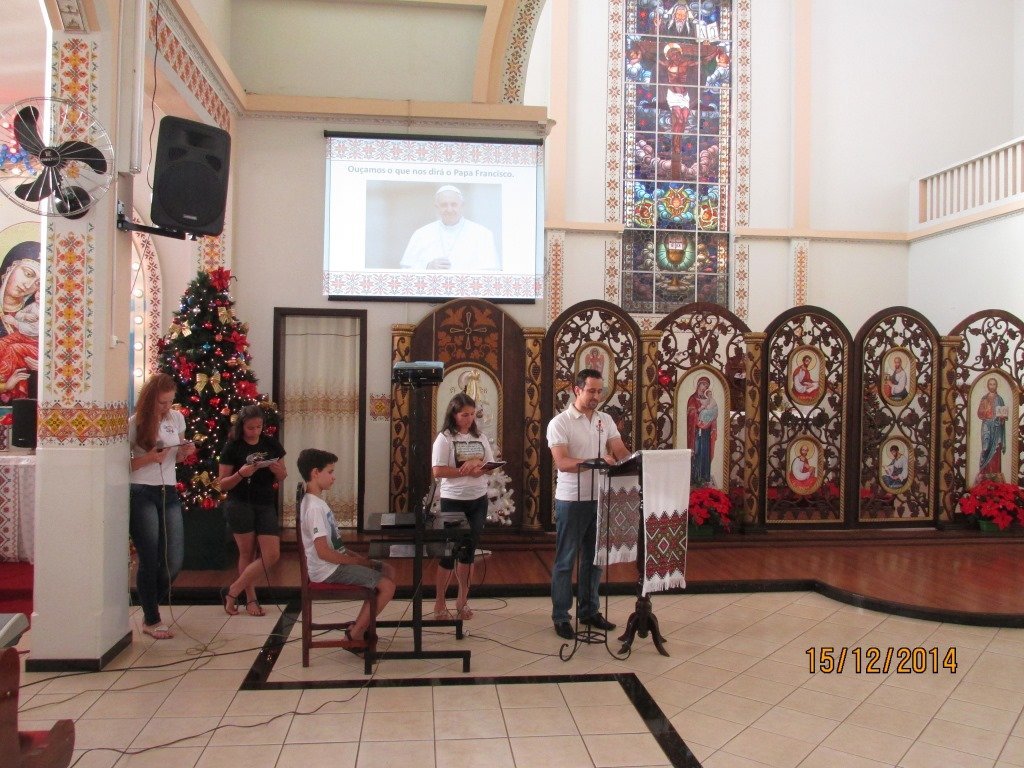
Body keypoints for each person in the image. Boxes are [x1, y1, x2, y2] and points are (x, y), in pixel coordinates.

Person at [547, 368, 631, 640]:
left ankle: (589, 610)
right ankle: (561, 616)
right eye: (591, 391)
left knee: (595, 559)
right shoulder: (560, 422)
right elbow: (562, 462)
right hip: (572, 500)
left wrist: (636, 461)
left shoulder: (605, 420)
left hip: (601, 497)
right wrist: (595, 462)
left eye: (600, 391)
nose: (596, 396)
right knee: (566, 560)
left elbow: (620, 451)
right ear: (577, 390)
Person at [298, 447, 396, 649]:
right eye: (330, 472)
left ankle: (360, 625)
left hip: (333, 564)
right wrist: (357, 561)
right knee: (387, 586)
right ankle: (354, 636)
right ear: (315, 473)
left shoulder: (317, 502)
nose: (333, 477)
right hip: (328, 570)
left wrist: (360, 560)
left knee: (387, 569)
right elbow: (323, 552)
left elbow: (337, 545)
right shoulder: (314, 508)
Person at [128, 373, 196, 639]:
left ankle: (150, 602)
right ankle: (151, 617)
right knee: (150, 556)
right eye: (161, 402)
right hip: (142, 491)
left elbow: (176, 457)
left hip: (168, 490)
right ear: (149, 400)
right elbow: (125, 465)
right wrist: (149, 458)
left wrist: (184, 452)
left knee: (174, 559)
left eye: (170, 401)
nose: (166, 407)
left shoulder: (176, 419)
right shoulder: (135, 423)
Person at [431, 393, 499, 621]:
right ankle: (439, 602)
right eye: (464, 415)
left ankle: (462, 601)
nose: (469, 419)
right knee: (448, 553)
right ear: (453, 414)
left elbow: (490, 466)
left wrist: (481, 467)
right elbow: (438, 471)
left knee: (468, 552)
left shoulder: (480, 437)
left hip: (477, 500)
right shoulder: (445, 438)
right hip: (453, 500)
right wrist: (464, 470)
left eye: (472, 414)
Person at [217, 404, 287, 616]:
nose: (255, 431)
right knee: (247, 553)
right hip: (240, 503)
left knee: (272, 554)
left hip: (265, 502)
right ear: (242, 426)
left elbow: (283, 476)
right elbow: (222, 484)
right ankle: (250, 599)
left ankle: (233, 590)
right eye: (250, 428)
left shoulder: (271, 444)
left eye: (259, 427)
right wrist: (241, 474)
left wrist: (278, 471)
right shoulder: (233, 447)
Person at [400, 185, 500, 271]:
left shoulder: (482, 234)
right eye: (444, 205)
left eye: (454, 204)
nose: (449, 209)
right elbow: (406, 269)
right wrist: (427, 267)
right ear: (437, 207)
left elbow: (491, 270)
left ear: (462, 205)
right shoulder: (421, 234)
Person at [0, 242, 40, 402]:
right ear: (11, 267)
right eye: (28, 274)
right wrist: (5, 386)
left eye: (38, 283)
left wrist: (42, 366)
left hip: (26, 405)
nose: (28, 285)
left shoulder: (37, 313)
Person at [686, 375, 718, 487]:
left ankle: (705, 476)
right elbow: (690, 413)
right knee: (697, 451)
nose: (704, 387)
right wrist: (700, 410)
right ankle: (696, 477)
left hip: (706, 431)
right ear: (698, 384)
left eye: (707, 386)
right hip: (696, 431)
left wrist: (712, 423)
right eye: (703, 384)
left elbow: (713, 412)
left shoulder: (707, 399)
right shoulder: (693, 398)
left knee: (705, 452)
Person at [977, 377, 1007, 483]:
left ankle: (995, 474)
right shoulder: (984, 398)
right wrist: (986, 411)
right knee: (986, 448)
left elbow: (1003, 415)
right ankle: (984, 474)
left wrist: (1002, 418)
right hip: (986, 426)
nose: (992, 386)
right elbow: (979, 413)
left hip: (996, 428)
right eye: (990, 384)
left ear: (996, 386)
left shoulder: (1000, 399)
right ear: (988, 386)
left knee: (996, 450)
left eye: (994, 384)